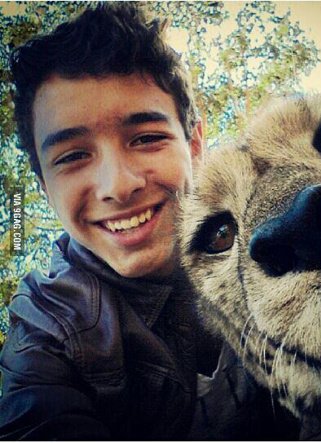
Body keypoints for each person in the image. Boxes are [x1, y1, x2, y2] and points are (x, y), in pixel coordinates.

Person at [0, 4, 298, 440]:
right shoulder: (47, 330)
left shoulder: (279, 233)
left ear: (194, 145)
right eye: (73, 156)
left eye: (146, 138)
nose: (118, 186)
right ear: (45, 187)